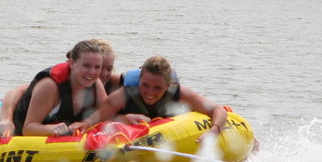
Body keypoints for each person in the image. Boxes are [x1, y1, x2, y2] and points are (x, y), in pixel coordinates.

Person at [0, 46, 118, 129]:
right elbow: (16, 91)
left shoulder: (106, 82)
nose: (101, 73)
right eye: (91, 66)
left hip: (28, 118)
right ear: (74, 63)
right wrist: (7, 118)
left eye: (107, 68)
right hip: (6, 111)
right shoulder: (57, 83)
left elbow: (106, 115)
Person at [81, 55, 230, 139]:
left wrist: (214, 130)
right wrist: (124, 118)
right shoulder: (123, 95)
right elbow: (94, 120)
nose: (150, 92)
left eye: (158, 87)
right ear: (139, 79)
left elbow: (218, 110)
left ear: (168, 85)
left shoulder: (179, 93)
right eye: (145, 85)